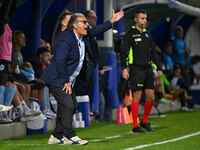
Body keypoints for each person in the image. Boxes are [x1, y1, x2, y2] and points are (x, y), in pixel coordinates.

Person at [41, 11, 123, 145]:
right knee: (67, 105)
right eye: (84, 22)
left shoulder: (82, 35)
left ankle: (56, 136)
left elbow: (95, 30)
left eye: (87, 22)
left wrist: (111, 21)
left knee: (72, 106)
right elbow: (60, 61)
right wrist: (65, 81)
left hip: (67, 79)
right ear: (74, 25)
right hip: (57, 78)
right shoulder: (65, 38)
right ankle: (69, 136)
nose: (87, 24)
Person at [120, 10, 162, 133]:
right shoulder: (130, 34)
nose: (145, 20)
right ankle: (135, 125)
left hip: (148, 69)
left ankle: (144, 121)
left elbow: (153, 53)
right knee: (137, 97)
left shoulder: (148, 35)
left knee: (151, 97)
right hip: (136, 69)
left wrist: (158, 67)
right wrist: (124, 69)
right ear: (136, 20)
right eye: (142, 18)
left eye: (145, 18)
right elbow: (123, 52)